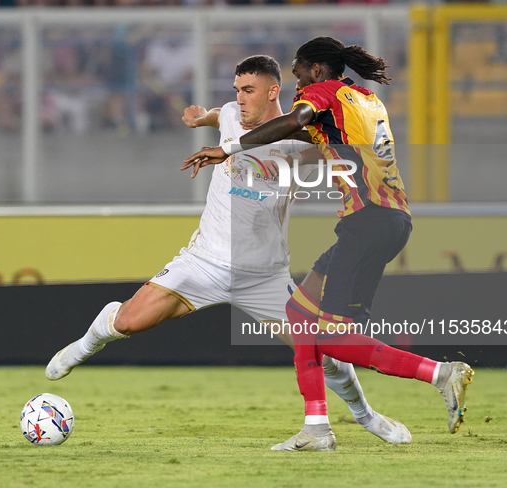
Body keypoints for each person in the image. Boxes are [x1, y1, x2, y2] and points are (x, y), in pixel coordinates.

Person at [46, 55, 412, 449]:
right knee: (129, 323)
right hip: (204, 263)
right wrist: (202, 116)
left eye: (248, 90)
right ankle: (86, 345)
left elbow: (341, 149)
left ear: (273, 91)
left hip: (266, 276)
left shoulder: (299, 134)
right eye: (237, 90)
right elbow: (220, 114)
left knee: (324, 351)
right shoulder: (230, 119)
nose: (240, 98)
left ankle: (367, 417)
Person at [183, 38, 474, 451]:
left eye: (298, 72)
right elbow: (313, 139)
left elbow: (290, 123)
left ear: (316, 70)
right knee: (299, 314)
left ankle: (440, 374)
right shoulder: (365, 99)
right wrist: (223, 121)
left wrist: (226, 147)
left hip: (369, 222)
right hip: (383, 219)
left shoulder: (320, 93)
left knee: (333, 340)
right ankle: (317, 427)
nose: (296, 83)